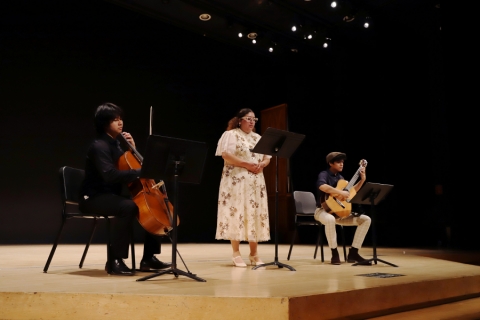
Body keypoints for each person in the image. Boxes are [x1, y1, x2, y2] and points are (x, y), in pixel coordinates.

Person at [79, 102, 171, 275]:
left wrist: (133, 149)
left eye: (120, 119)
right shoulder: (99, 146)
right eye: (115, 119)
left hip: (111, 195)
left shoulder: (116, 145)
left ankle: (149, 258)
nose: (120, 122)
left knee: (152, 207)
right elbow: (110, 175)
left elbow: (128, 166)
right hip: (93, 197)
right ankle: (114, 260)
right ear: (104, 122)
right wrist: (139, 171)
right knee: (128, 206)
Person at [215, 108, 271, 267]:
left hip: (255, 182)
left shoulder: (258, 138)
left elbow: (267, 158)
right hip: (236, 181)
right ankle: (236, 253)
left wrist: (262, 165)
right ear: (240, 120)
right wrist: (246, 164)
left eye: (254, 119)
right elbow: (226, 154)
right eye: (248, 118)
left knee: (255, 214)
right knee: (237, 212)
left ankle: (254, 254)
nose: (252, 122)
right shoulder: (231, 134)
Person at [314, 152, 371, 265]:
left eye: (343, 162)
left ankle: (353, 252)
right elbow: (322, 186)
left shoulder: (341, 179)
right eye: (338, 162)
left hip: (339, 213)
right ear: (330, 163)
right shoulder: (324, 174)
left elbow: (351, 192)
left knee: (366, 219)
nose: (341, 164)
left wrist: (362, 179)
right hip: (322, 211)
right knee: (330, 219)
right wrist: (340, 192)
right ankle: (334, 253)